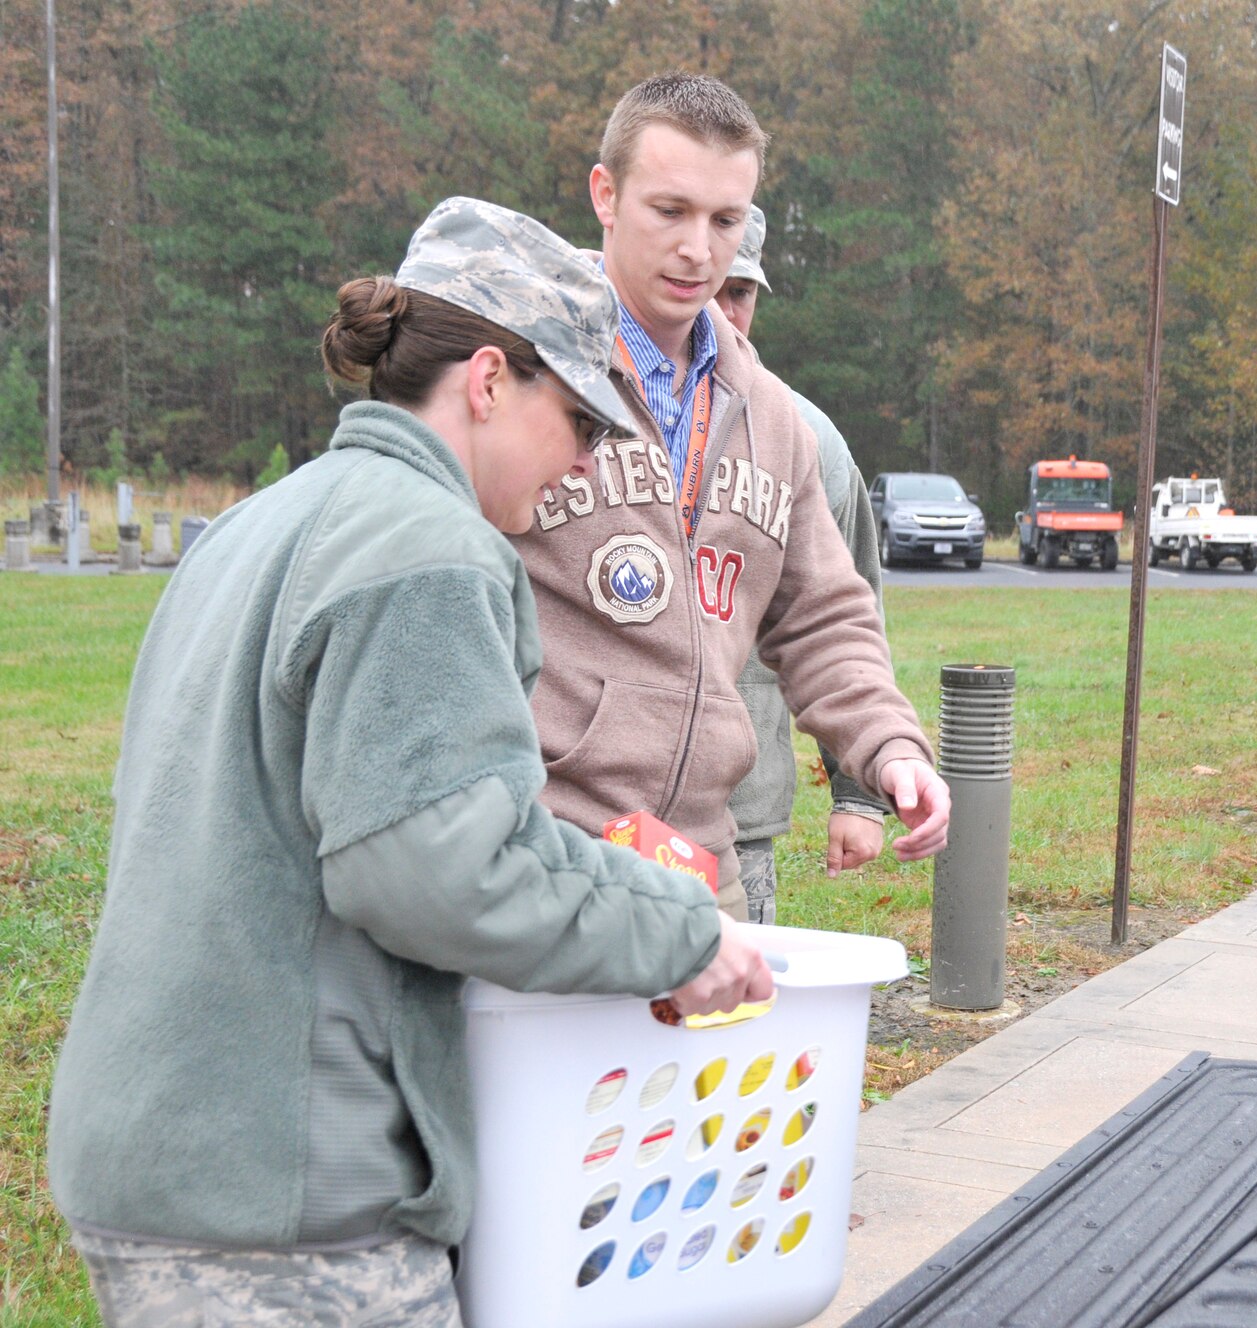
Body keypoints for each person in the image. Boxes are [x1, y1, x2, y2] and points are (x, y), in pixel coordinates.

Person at [45, 197, 770, 1327]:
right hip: (283, 1195)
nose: (581, 464)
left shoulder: (257, 524)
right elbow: (431, 870)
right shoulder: (433, 551)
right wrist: (679, 939)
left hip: (155, 1154)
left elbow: (424, 819)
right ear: (489, 380)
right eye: (578, 422)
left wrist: (637, 889)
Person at [517, 73, 948, 918]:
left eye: (725, 222)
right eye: (669, 211)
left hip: (705, 879)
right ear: (605, 194)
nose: (698, 251)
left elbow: (825, 615)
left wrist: (891, 750)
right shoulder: (522, 371)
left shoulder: (775, 417)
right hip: (544, 862)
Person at [718, 204, 893, 924]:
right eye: (706, 285)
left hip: (738, 822)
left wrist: (859, 793)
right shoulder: (585, 411)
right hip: (588, 811)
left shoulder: (807, 438)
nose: (723, 310)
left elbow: (843, 616)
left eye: (740, 291)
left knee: (725, 1032)